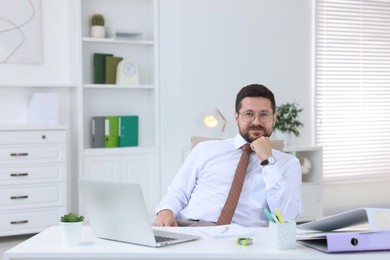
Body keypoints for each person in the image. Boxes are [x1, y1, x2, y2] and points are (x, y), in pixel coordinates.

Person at [155, 84, 303, 227]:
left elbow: (287, 217)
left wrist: (268, 161)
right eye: (249, 114)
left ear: (274, 118)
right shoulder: (205, 149)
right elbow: (177, 193)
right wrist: (166, 210)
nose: (256, 122)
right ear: (237, 117)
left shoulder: (288, 163)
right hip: (193, 228)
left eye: (264, 115)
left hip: (246, 239)